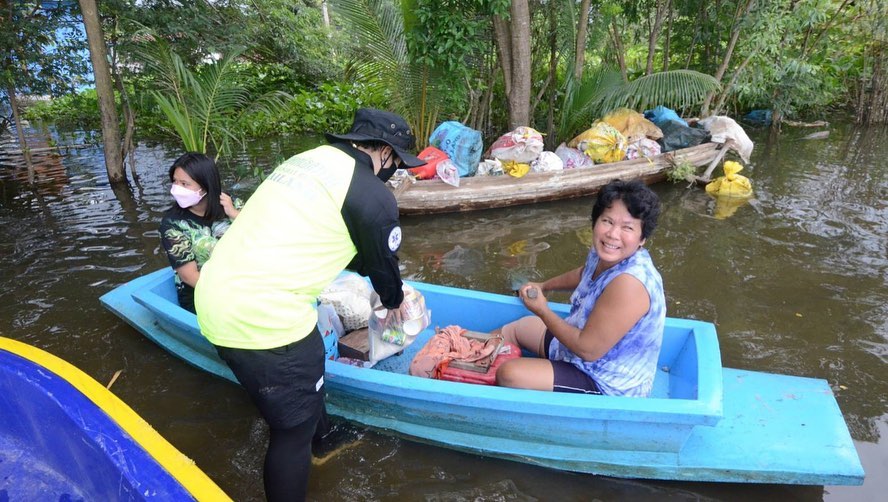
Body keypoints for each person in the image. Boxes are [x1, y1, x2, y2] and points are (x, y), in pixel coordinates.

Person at [194, 108, 426, 501]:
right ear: (385, 153)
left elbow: (325, 235)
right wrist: (395, 301)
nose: (396, 170)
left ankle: (324, 442)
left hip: (215, 295)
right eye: (398, 161)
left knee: (310, 358)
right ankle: (308, 440)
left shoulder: (306, 161)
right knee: (289, 433)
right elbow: (382, 265)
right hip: (264, 318)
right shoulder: (372, 195)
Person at [494, 179, 665, 397]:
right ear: (596, 221)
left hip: (605, 381)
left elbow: (588, 349)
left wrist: (543, 310)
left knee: (509, 374)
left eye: (627, 227)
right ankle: (464, 355)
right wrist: (544, 286)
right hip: (578, 351)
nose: (613, 234)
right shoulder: (606, 251)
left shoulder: (629, 283)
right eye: (607, 221)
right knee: (520, 328)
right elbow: (584, 273)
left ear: (642, 239)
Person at [159, 152, 240, 313]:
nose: (177, 189)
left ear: (205, 185)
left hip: (239, 278)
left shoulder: (230, 204)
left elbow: (260, 235)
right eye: (175, 182)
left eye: (184, 183)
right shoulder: (173, 224)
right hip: (203, 293)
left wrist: (233, 214)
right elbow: (189, 277)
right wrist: (233, 295)